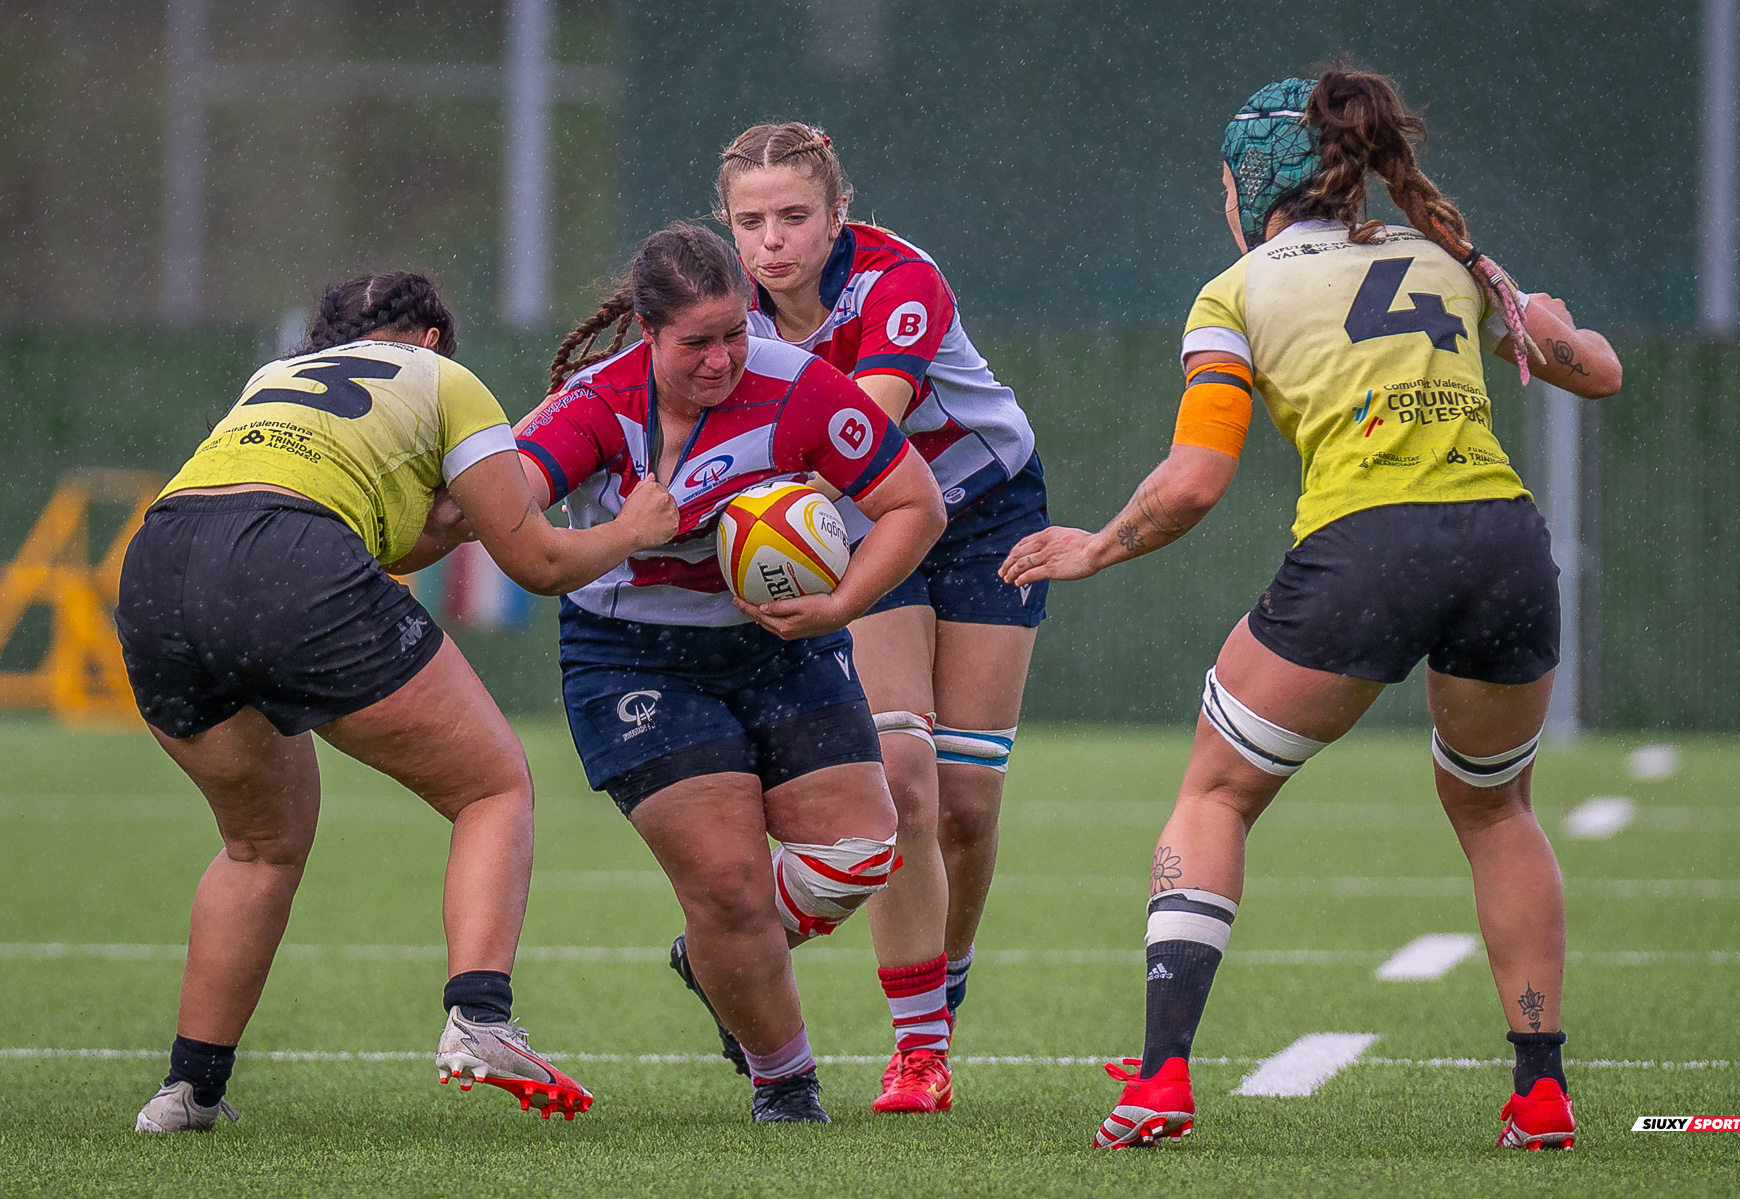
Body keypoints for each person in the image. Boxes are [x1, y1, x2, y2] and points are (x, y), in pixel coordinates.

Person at [1001, 69, 1621, 1150]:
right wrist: (1546, 318)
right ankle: (1541, 1087)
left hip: (1368, 547)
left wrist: (1096, 546)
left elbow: (1196, 480)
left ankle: (1159, 1076)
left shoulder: (1236, 291)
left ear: (1251, 186)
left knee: (1217, 790)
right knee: (1494, 808)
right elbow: (1597, 372)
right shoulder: (1451, 258)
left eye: (1223, 185)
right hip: (1503, 543)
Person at [118, 272, 681, 1132]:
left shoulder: (272, 380)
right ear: (426, 341)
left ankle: (190, 1087)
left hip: (157, 567)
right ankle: (481, 1018)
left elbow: (367, 531)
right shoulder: (443, 379)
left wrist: (454, 521)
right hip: (291, 556)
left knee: (260, 847)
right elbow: (536, 562)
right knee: (493, 785)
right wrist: (632, 531)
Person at [516, 222, 945, 1123]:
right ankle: (784, 1081)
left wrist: (838, 605)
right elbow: (508, 502)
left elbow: (915, 504)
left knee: (860, 856)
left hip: (781, 644)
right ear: (646, 329)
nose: (721, 360)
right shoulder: (596, 402)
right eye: (696, 343)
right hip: (630, 654)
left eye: (735, 334)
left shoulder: (799, 390)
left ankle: (710, 950)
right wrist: (620, 532)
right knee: (729, 885)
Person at [715, 121, 1048, 1114]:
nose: (772, 241)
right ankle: (919, 1050)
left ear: (838, 216)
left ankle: (923, 992)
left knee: (968, 801)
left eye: (793, 217)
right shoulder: (726, 309)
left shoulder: (901, 280)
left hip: (984, 509)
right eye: (749, 221)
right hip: (862, 525)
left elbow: (866, 423)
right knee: (903, 773)